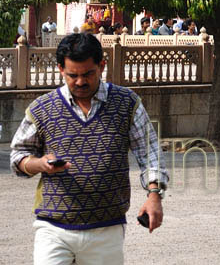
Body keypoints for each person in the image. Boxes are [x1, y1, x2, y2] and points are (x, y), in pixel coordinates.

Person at [10, 33, 167, 263]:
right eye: (72, 75)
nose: (80, 82)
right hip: (53, 229)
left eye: (88, 74)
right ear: (61, 69)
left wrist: (154, 195)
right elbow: (18, 157)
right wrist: (40, 164)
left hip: (107, 230)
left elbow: (150, 153)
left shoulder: (127, 103)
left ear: (101, 66)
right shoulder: (42, 108)